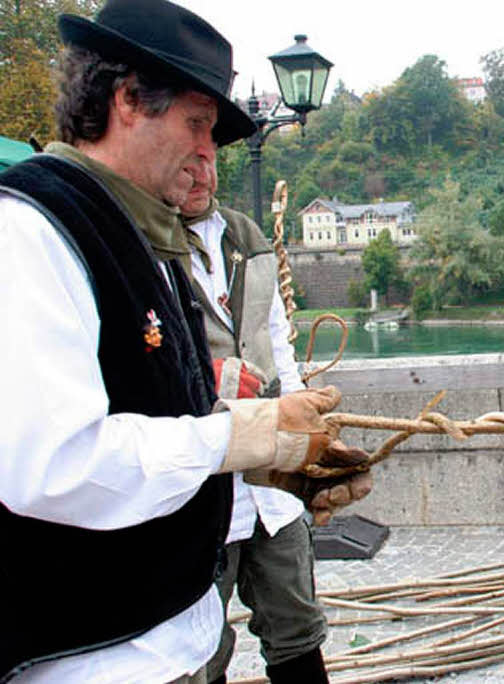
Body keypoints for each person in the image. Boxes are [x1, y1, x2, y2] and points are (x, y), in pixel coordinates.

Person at [0, 1, 370, 681]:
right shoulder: (29, 230)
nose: (208, 153)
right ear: (129, 101)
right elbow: (54, 466)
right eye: (197, 125)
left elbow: (162, 408)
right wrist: (236, 440)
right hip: (99, 657)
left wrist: (274, 465)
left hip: (170, 636)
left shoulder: (142, 233)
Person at [179, 158, 330, 683]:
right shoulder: (141, 247)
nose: (200, 174)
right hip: (199, 482)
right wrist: (209, 378)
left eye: (208, 161)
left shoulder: (246, 236)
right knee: (198, 644)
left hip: (270, 481)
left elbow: (277, 341)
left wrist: (307, 437)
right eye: (186, 161)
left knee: (297, 625)